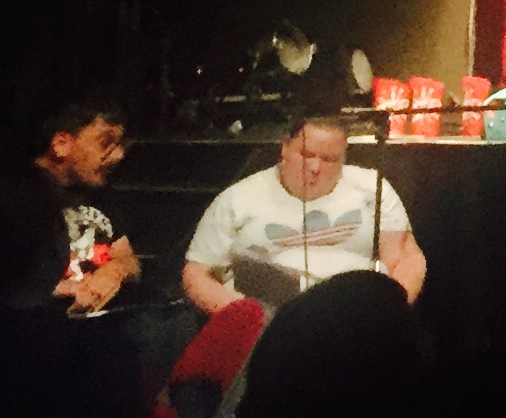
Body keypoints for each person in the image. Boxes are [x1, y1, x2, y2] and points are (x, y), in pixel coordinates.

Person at [180, 109, 427, 313]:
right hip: (265, 322)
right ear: (284, 149)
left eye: (329, 159)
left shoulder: (373, 188)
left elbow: (406, 258)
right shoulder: (238, 199)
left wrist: (390, 311)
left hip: (353, 320)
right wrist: (245, 318)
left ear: (344, 157)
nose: (315, 167)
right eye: (307, 155)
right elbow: (196, 274)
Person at [31, 96, 138, 316]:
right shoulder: (20, 198)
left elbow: (129, 261)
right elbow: (3, 283)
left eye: (119, 145)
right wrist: (63, 289)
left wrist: (114, 271)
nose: (118, 155)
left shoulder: (97, 192)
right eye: (105, 143)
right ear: (61, 144)